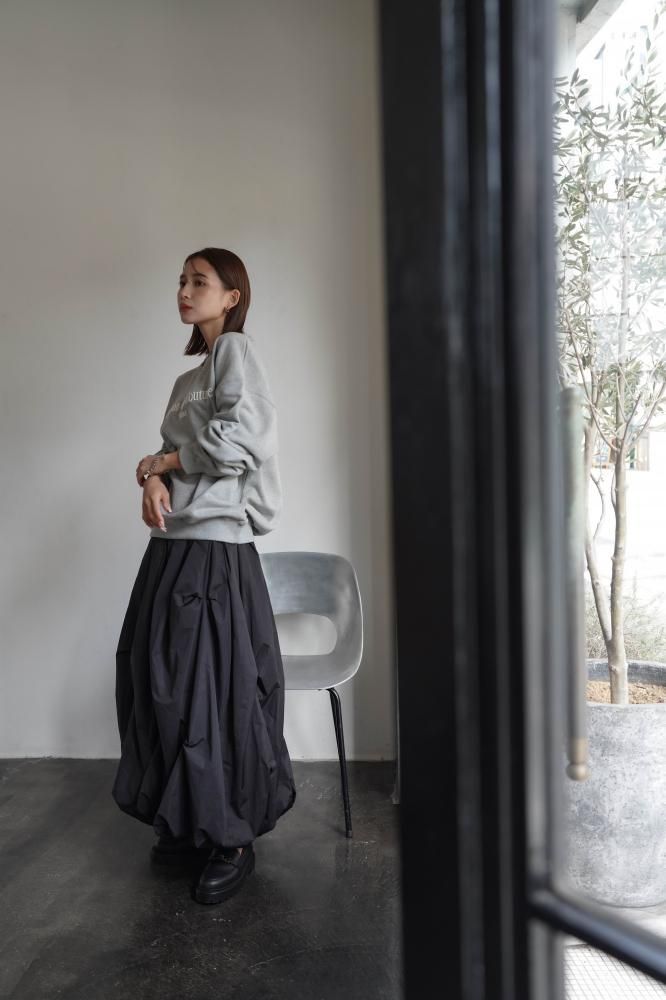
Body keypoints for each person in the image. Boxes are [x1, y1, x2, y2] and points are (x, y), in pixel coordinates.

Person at [111, 247, 297, 905]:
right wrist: (153, 477)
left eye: (200, 281)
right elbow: (177, 457)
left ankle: (231, 836)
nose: (185, 291)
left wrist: (163, 462)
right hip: (173, 546)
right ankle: (188, 818)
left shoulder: (237, 353)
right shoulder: (187, 377)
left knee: (214, 691)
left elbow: (244, 443)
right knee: (161, 681)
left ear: (232, 296)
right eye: (181, 281)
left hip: (216, 548)